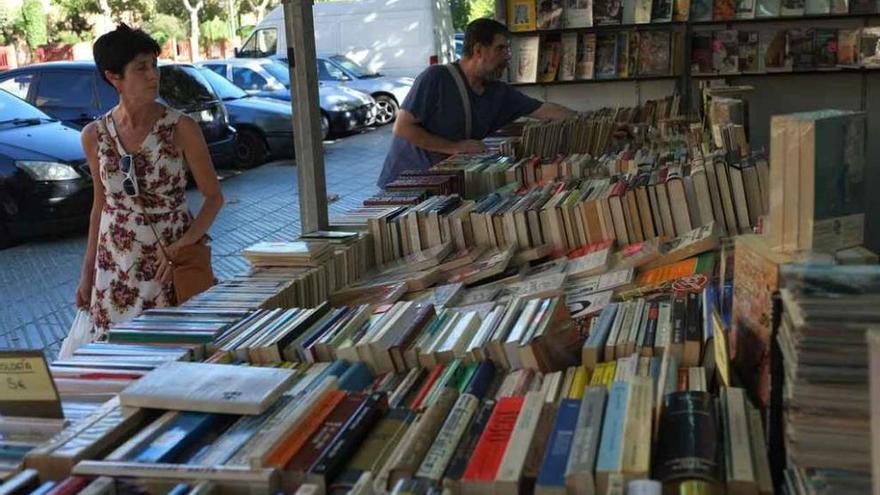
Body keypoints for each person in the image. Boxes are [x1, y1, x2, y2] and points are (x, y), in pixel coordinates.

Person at [74, 25, 224, 337]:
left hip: (169, 264)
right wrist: (87, 273)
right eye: (141, 68)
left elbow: (214, 198)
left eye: (154, 65)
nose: (153, 75)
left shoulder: (180, 127)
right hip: (114, 267)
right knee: (118, 357)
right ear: (113, 77)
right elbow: (99, 205)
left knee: (177, 352)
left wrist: (180, 248)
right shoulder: (94, 135)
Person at [377, 18, 576, 187]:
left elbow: (544, 110)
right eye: (500, 49)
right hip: (407, 185)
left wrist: (591, 119)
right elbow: (402, 127)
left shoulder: (498, 92)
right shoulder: (436, 78)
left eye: (507, 49)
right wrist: (456, 147)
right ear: (478, 50)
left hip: (444, 185)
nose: (507, 56)